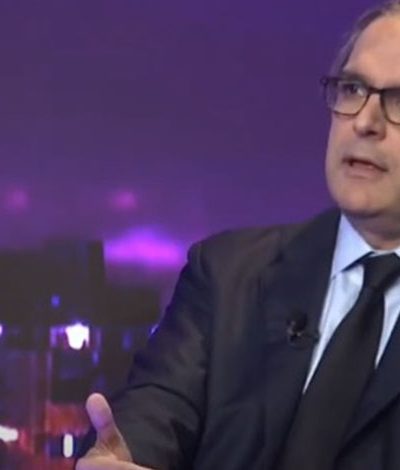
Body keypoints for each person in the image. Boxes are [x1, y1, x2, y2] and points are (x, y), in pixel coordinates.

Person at [76, 1, 400, 469]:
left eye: (399, 100)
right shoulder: (227, 276)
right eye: (353, 89)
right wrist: (119, 457)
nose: (365, 122)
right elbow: (151, 416)